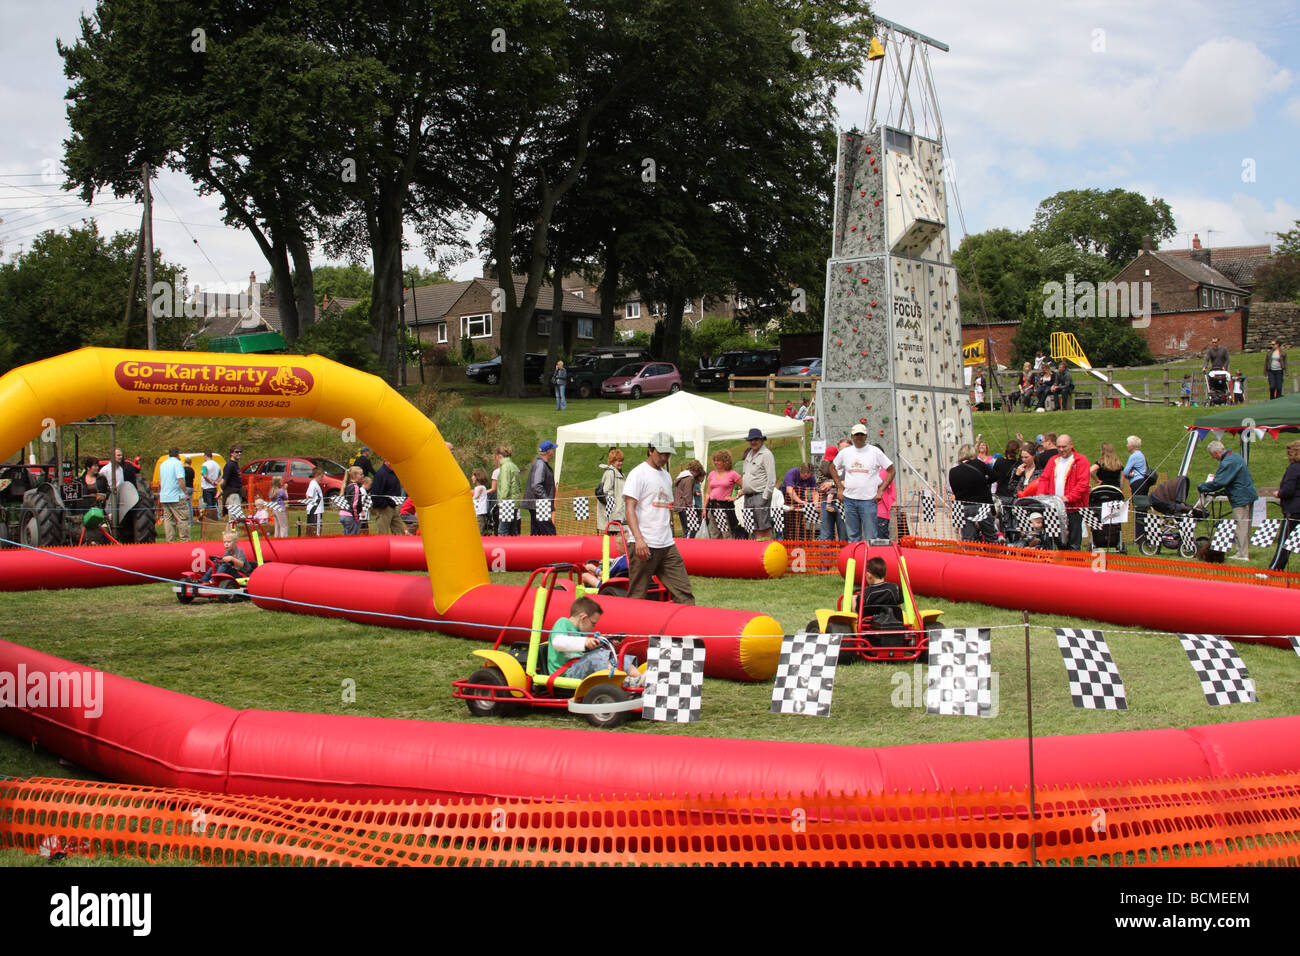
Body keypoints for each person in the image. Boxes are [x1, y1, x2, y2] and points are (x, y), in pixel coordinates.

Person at [622, 433, 694, 604]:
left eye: (667, 454)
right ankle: (631, 629)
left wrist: (671, 532)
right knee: (637, 596)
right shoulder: (638, 473)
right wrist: (639, 540)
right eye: (660, 453)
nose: (664, 457)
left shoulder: (666, 476)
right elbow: (629, 508)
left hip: (667, 544)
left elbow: (667, 507)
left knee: (684, 594)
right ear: (650, 450)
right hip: (644, 544)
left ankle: (687, 629)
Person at [1024, 434, 1090, 550]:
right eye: (1059, 447)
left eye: (1064, 447)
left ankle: (1073, 565)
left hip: (1073, 508)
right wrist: (1041, 495)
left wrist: (1068, 498)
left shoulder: (1081, 461)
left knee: (1073, 543)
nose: (1061, 449)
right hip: (1053, 508)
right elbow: (1044, 479)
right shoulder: (1053, 460)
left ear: (1071, 445)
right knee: (1055, 541)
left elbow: (1082, 484)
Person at [831, 423, 894, 542]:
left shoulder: (875, 452)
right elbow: (832, 467)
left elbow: (891, 470)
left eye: (861, 434)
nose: (859, 437)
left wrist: (881, 490)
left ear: (865, 436)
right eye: (856, 434)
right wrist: (839, 488)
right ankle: (854, 560)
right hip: (849, 499)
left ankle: (869, 560)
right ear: (852, 436)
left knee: (871, 537)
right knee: (853, 537)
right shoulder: (845, 453)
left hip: (869, 500)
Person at [1198, 440, 1258, 561]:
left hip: (1240, 498)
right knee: (1244, 525)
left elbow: (1220, 482)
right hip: (1247, 495)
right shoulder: (1235, 456)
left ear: (1215, 453)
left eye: (1212, 455)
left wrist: (1203, 487)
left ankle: (1242, 554)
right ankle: (1242, 552)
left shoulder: (1227, 462)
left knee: (1240, 526)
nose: (1213, 458)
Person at [948, 444, 997, 542]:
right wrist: (984, 482)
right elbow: (995, 476)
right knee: (990, 537)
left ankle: (970, 557)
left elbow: (953, 489)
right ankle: (993, 556)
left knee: (967, 539)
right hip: (981, 505)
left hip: (962, 506)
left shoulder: (953, 471)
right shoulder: (978, 464)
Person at [1267, 440, 1300, 571]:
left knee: (1285, 542)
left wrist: (1278, 493)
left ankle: (1274, 569)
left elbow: (1288, 490)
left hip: (1293, 510)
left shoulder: (1294, 468)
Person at [740, 428, 777, 541]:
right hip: (748, 496)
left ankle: (769, 552)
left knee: (763, 526)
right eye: (751, 440)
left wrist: (765, 496)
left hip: (760, 495)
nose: (753, 442)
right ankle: (758, 553)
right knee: (753, 527)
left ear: (761, 440)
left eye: (755, 439)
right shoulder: (749, 454)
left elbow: (771, 478)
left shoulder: (766, 454)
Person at [850, 556, 903, 632]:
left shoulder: (865, 593)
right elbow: (898, 608)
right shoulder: (895, 588)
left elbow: (858, 612)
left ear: (869, 575)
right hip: (893, 624)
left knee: (853, 599)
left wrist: (854, 600)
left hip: (868, 627)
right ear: (885, 573)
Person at [705, 450, 742, 539]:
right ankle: (716, 552)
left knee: (726, 533)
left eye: (718, 460)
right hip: (712, 507)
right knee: (714, 534)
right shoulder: (711, 474)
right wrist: (704, 508)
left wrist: (735, 497)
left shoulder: (733, 474)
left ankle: (729, 552)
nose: (716, 462)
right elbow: (708, 492)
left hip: (724, 507)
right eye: (715, 460)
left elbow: (745, 487)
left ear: (725, 461)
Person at [158, 446, 190, 543]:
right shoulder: (177, 464)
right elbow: (180, 479)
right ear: (178, 454)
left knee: (168, 520)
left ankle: (170, 541)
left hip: (165, 496)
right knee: (182, 519)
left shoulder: (163, 464)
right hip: (176, 496)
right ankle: (184, 540)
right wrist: (185, 493)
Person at [526, 441, 557, 535]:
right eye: (553, 449)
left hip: (536, 504)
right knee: (550, 532)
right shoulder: (541, 464)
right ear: (548, 452)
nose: (554, 451)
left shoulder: (540, 463)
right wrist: (546, 500)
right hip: (540, 505)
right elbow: (536, 485)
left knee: (537, 533)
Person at [781, 462, 817, 539]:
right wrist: (800, 501)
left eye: (808, 476)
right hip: (786, 499)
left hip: (800, 498)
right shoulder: (791, 473)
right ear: (800, 471)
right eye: (804, 475)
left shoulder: (811, 477)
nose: (806, 478)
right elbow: (789, 490)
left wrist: (815, 503)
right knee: (788, 522)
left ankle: (798, 539)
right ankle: (787, 540)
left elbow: (814, 491)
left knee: (798, 521)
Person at [369, 456, 403, 536]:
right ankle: (381, 546)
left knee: (399, 530)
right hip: (384, 507)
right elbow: (375, 492)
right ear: (386, 460)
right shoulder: (381, 474)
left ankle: (401, 545)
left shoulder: (394, 472)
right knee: (382, 531)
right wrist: (384, 505)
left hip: (393, 505)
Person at [673, 459, 705, 538]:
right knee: (692, 530)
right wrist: (690, 507)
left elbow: (683, 490)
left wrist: (693, 492)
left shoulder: (682, 476)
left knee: (686, 530)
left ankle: (685, 547)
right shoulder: (690, 478)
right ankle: (686, 547)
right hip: (686, 507)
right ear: (696, 470)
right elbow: (687, 495)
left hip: (680, 506)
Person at [495, 445, 522, 537]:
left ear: (499, 456)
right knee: (513, 530)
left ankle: (504, 550)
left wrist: (501, 502)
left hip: (507, 502)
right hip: (514, 501)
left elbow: (505, 486)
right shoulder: (514, 466)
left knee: (503, 531)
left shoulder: (505, 467)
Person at [597, 448, 626, 527]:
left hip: (619, 514)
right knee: (612, 537)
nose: (621, 463)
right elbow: (607, 492)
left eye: (622, 460)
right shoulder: (610, 473)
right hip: (613, 516)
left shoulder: (621, 474)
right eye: (618, 461)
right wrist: (614, 513)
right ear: (612, 462)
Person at [816, 460, 845, 540]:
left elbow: (852, 482)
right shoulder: (824, 465)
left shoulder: (847, 464)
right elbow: (818, 484)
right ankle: (826, 552)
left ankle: (845, 552)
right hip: (826, 501)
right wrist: (822, 487)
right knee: (826, 536)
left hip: (843, 503)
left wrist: (831, 484)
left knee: (844, 535)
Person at [220, 446, 245, 521]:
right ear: (231, 453)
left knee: (233, 518)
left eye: (240, 451)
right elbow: (223, 482)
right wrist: (225, 490)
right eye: (236, 452)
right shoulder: (229, 465)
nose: (239, 453)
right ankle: (232, 532)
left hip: (236, 493)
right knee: (234, 518)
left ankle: (228, 532)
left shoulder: (235, 464)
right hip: (232, 495)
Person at [339, 466, 366, 535]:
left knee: (346, 537)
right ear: (354, 476)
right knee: (353, 538)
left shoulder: (347, 485)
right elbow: (354, 504)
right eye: (361, 474)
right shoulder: (355, 487)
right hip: (350, 516)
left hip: (343, 514)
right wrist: (356, 518)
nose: (362, 476)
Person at [199, 450, 221, 520]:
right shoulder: (217, 464)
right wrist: (216, 481)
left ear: (205, 456)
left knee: (208, 504)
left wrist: (211, 481)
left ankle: (210, 518)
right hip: (214, 487)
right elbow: (220, 475)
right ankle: (216, 517)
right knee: (214, 504)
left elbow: (204, 475)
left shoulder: (205, 464)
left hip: (207, 487)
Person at [304, 464, 325, 536]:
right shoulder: (313, 484)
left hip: (316, 510)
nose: (322, 478)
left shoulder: (315, 484)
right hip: (316, 510)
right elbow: (308, 496)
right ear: (316, 475)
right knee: (316, 530)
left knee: (313, 529)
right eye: (321, 476)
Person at [470, 467, 490, 535]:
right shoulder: (481, 487)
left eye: (473, 475)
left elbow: (474, 498)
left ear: (477, 477)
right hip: (478, 513)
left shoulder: (480, 488)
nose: (471, 477)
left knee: (478, 532)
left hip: (479, 513)